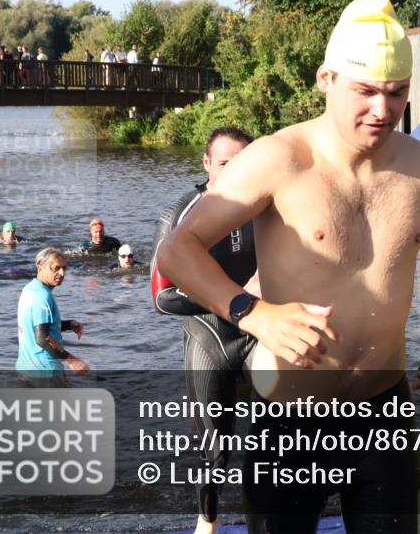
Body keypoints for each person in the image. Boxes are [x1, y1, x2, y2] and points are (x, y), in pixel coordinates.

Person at [157, 0, 420, 534]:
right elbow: (176, 251)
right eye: (366, 91)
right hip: (287, 419)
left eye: (396, 94)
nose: (382, 110)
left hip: (382, 412)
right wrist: (252, 313)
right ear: (325, 79)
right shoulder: (279, 159)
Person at [150, 126, 256, 534]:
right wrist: (239, 299)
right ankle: (207, 523)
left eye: (243, 163)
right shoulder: (182, 211)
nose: (235, 171)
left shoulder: (270, 207)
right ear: (207, 163)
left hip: (262, 338)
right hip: (210, 339)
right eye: (226, 163)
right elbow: (163, 297)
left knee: (280, 438)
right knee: (216, 450)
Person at [15, 248, 88, 378]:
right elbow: (42, 338)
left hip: (25, 369)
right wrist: (72, 361)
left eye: (64, 268)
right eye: (56, 268)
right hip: (46, 372)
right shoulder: (43, 296)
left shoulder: (30, 289)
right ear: (40, 268)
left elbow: (38, 325)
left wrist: (69, 324)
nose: (62, 273)